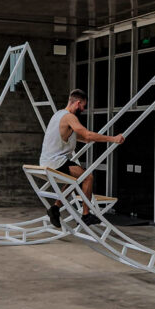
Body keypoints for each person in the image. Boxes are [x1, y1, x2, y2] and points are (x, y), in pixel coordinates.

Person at [40, 88, 124, 226]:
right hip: (55, 162)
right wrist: (113, 138)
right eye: (83, 106)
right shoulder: (69, 117)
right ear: (78, 103)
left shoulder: (58, 115)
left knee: (74, 178)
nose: (83, 110)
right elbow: (87, 135)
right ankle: (85, 215)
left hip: (46, 161)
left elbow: (80, 137)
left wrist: (90, 138)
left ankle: (55, 208)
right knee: (87, 177)